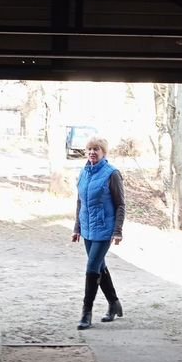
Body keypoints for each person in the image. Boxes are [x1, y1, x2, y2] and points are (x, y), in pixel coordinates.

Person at [71, 136, 125, 330]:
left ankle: (86, 313)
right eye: (90, 149)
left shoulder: (112, 174)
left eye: (97, 149)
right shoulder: (84, 172)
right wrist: (77, 227)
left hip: (104, 229)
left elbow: (120, 204)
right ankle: (114, 303)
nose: (92, 152)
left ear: (104, 152)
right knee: (99, 267)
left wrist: (117, 230)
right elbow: (80, 202)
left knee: (92, 267)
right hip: (87, 228)